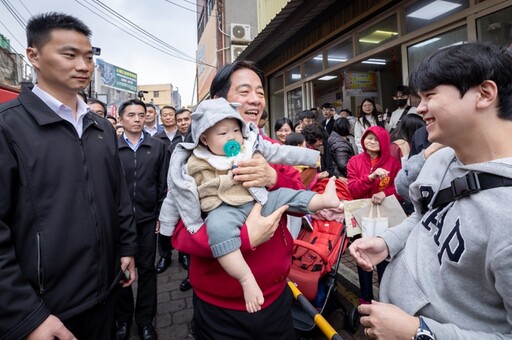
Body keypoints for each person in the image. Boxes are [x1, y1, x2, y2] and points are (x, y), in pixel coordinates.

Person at [350, 42, 512, 339]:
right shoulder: (441, 160)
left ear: (485, 93)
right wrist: (389, 243)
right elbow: (424, 218)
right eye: (418, 98)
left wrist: (420, 332)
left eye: (430, 96)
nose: (419, 108)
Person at [0, 12, 137, 339]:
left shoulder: (101, 127)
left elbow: (118, 195)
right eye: (69, 55)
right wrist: (26, 315)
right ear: (33, 55)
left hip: (104, 293)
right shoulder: (8, 126)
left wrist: (127, 247)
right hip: (45, 311)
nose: (83, 66)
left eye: (89, 57)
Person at [160, 98, 339, 313]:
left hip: (259, 202)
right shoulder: (193, 160)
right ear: (205, 138)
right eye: (223, 133)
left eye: (235, 130)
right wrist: (166, 224)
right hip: (223, 207)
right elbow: (175, 194)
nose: (232, 137)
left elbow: (284, 153)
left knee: (286, 195)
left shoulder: (251, 145)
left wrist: (311, 158)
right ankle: (245, 278)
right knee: (218, 230)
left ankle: (323, 200)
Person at [170, 60, 304, 339]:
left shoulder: (273, 151)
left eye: (260, 92)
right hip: (219, 307)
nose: (255, 99)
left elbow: (300, 203)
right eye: (244, 91)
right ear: (219, 102)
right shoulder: (191, 160)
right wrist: (244, 239)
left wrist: (273, 179)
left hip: (277, 297)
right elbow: (181, 234)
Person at [116, 99, 168, 340]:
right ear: (121, 119)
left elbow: (163, 184)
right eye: (131, 115)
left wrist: (159, 214)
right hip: (120, 221)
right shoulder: (111, 147)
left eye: (141, 114)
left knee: (147, 270)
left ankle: (146, 321)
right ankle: (123, 320)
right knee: (122, 271)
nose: (137, 119)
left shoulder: (157, 147)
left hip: (148, 218)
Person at [346, 125, 401, 305]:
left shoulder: (392, 163)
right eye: (369, 138)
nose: (372, 142)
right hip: (360, 215)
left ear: (384, 142)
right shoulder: (354, 161)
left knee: (385, 257)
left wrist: (386, 193)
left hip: (385, 216)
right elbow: (353, 190)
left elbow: (400, 188)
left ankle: (385, 298)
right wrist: (370, 178)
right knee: (362, 256)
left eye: (376, 139)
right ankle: (366, 297)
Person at [153, 105, 177, 275]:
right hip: (163, 185)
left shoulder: (184, 137)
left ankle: (185, 254)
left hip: (181, 185)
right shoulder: (156, 138)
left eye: (170, 114)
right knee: (163, 220)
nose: (168, 117)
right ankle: (165, 255)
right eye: (165, 115)